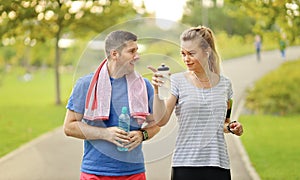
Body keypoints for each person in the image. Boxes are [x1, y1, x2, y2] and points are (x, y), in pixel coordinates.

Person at [149, 26, 244, 180]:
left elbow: (224, 123)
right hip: (185, 165)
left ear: (207, 51)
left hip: (218, 164)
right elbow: (161, 120)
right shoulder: (177, 81)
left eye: (191, 54)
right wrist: (157, 90)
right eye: (183, 54)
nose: (186, 59)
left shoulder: (225, 85)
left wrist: (233, 127)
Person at [64, 30, 160, 180]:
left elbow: (156, 123)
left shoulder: (144, 86)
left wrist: (143, 135)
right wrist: (106, 133)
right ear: (115, 54)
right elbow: (69, 127)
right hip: (95, 172)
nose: (137, 56)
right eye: (132, 51)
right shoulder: (86, 85)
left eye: (137, 50)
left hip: (133, 173)